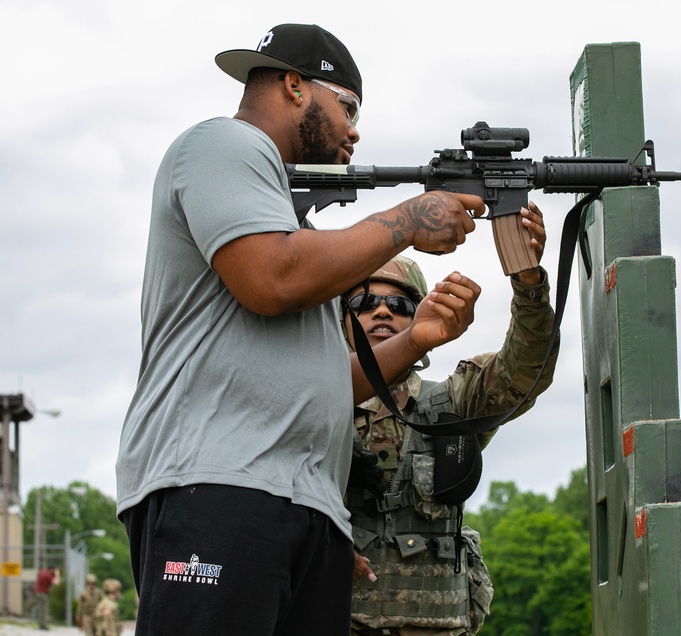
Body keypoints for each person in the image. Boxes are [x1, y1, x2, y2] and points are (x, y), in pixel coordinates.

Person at [115, 23, 485, 635]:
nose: (355, 130)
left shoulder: (291, 227)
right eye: (348, 107)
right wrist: (406, 218)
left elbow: (321, 385)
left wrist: (412, 342)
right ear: (294, 85)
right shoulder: (223, 144)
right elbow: (271, 280)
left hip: (293, 506)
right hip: (217, 490)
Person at [345, 204, 558, 636]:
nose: (383, 312)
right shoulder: (309, 400)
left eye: (400, 303)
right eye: (365, 302)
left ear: (423, 314)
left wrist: (529, 281)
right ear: (341, 319)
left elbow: (525, 371)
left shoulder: (452, 402)